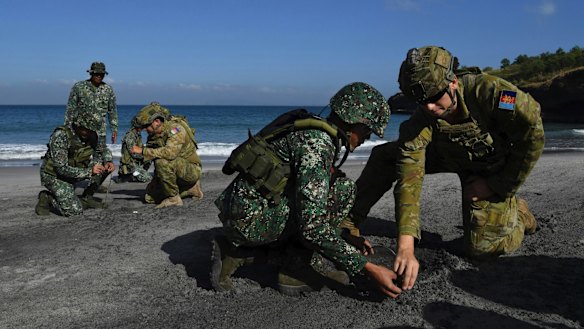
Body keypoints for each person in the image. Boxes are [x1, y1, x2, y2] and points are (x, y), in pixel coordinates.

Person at [341, 46, 545, 291]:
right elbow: (409, 175)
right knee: (385, 156)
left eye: (435, 97)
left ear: (453, 83)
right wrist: (406, 246)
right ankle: (348, 220)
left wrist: (497, 185)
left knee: (482, 250)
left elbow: (532, 135)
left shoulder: (491, 94)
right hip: (443, 155)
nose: (429, 107)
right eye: (421, 101)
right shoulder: (423, 117)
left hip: (487, 167)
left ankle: (519, 214)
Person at [211, 82, 402, 299]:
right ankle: (260, 258)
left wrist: (344, 236)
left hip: (247, 211)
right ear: (353, 121)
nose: (367, 137)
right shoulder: (317, 143)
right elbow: (312, 227)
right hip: (247, 222)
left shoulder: (313, 131)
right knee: (341, 192)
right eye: (367, 130)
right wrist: (367, 268)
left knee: (341, 188)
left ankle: (292, 259)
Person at [35, 113, 115, 217]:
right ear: (77, 125)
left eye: (91, 130)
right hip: (54, 176)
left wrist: (108, 161)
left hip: (76, 172)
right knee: (75, 212)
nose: (88, 132)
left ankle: (87, 198)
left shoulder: (91, 134)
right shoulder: (61, 135)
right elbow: (61, 168)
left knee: (101, 164)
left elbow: (103, 149)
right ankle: (47, 197)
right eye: (85, 129)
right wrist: (89, 172)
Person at [131, 102, 203, 209]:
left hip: (191, 170)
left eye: (146, 126)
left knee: (162, 162)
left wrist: (142, 151)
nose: (145, 129)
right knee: (149, 198)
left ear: (157, 122)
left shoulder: (176, 129)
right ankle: (190, 190)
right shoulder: (153, 135)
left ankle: (174, 198)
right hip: (173, 170)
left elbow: (169, 154)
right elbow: (151, 157)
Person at [64, 61, 118, 145]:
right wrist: (67, 128)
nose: (99, 76)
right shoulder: (79, 87)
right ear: (91, 74)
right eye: (97, 74)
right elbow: (70, 108)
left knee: (100, 157)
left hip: (100, 133)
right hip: (81, 131)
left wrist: (114, 129)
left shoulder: (108, 90)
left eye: (102, 74)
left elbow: (112, 111)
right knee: (80, 155)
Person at [116, 117, 152, 183]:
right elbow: (133, 153)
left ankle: (136, 174)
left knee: (149, 158)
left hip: (135, 163)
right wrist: (144, 156)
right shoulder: (130, 136)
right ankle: (128, 176)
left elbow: (140, 148)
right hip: (129, 165)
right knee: (148, 178)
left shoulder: (137, 135)